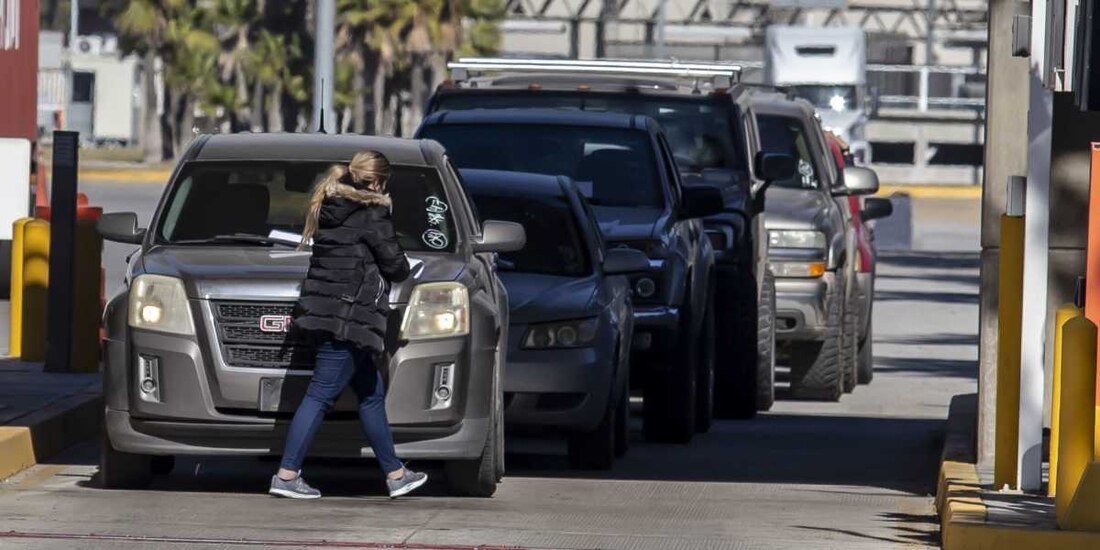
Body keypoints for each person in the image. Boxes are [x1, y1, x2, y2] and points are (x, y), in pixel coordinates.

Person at [269, 150, 428, 500]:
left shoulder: (331, 208)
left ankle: (396, 474)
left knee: (370, 396)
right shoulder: (372, 213)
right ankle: (286, 475)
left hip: (327, 311)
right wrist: (406, 266)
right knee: (320, 395)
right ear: (378, 181)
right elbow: (396, 266)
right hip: (348, 318)